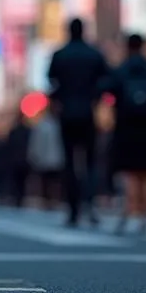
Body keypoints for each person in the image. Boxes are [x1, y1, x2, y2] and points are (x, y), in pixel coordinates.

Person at [48, 18, 109, 226]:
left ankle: (73, 210)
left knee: (69, 163)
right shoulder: (94, 54)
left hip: (67, 114)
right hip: (88, 113)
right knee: (91, 162)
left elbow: (51, 81)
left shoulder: (60, 55)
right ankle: (90, 203)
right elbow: (106, 80)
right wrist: (95, 97)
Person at [105, 35, 146, 235]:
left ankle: (128, 214)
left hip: (126, 127)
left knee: (129, 173)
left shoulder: (121, 70)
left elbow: (110, 92)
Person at [27, 104, 65, 208]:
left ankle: (54, 199)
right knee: (45, 180)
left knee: (55, 181)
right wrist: (35, 155)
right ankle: (47, 200)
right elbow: (36, 142)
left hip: (57, 158)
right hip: (45, 158)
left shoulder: (59, 123)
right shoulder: (42, 125)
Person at [6, 108, 32, 208]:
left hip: (19, 159)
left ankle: (18, 198)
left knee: (18, 180)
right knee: (20, 181)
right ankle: (19, 198)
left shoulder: (16, 131)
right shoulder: (27, 131)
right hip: (21, 159)